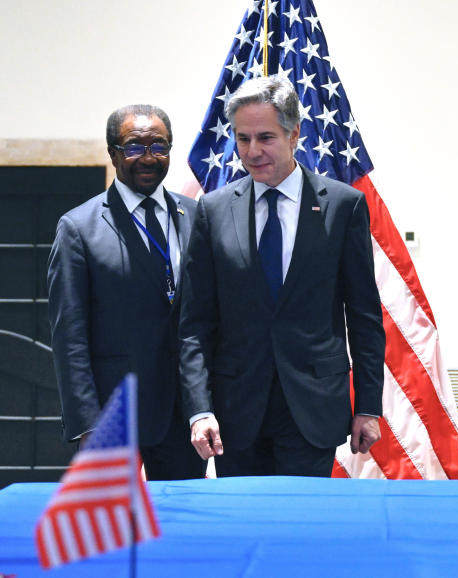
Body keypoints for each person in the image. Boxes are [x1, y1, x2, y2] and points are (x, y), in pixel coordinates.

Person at [178, 75, 385, 477]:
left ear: (294, 136)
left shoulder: (344, 207)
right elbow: (195, 324)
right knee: (245, 529)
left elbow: (363, 317)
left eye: (265, 137)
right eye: (242, 139)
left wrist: (368, 408)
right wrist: (199, 409)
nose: (252, 151)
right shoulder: (213, 211)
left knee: (305, 529)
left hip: (313, 407)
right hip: (236, 412)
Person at [48, 104, 204, 480]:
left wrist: (206, 405)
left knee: (180, 527)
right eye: (134, 147)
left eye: (159, 146)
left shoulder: (196, 215)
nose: (148, 158)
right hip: (113, 416)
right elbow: (69, 336)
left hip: (185, 414)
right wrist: (87, 423)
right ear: (113, 153)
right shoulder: (79, 228)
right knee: (116, 534)